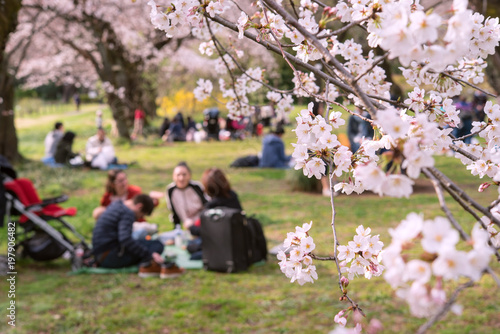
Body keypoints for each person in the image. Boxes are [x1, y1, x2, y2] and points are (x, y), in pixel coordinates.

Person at [91, 194, 184, 278]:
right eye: (141, 215)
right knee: (157, 246)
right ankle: (147, 265)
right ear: (139, 206)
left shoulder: (117, 205)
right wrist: (150, 254)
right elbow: (125, 238)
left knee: (146, 242)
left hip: (100, 255)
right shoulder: (128, 213)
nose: (138, 218)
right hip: (110, 258)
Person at [165, 162, 207, 230]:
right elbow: (173, 211)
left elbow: (206, 204)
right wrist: (177, 229)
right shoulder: (170, 190)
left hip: (202, 222)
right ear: (173, 176)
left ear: (189, 175)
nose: (181, 178)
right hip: (187, 225)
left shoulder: (197, 187)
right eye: (178, 175)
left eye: (184, 175)